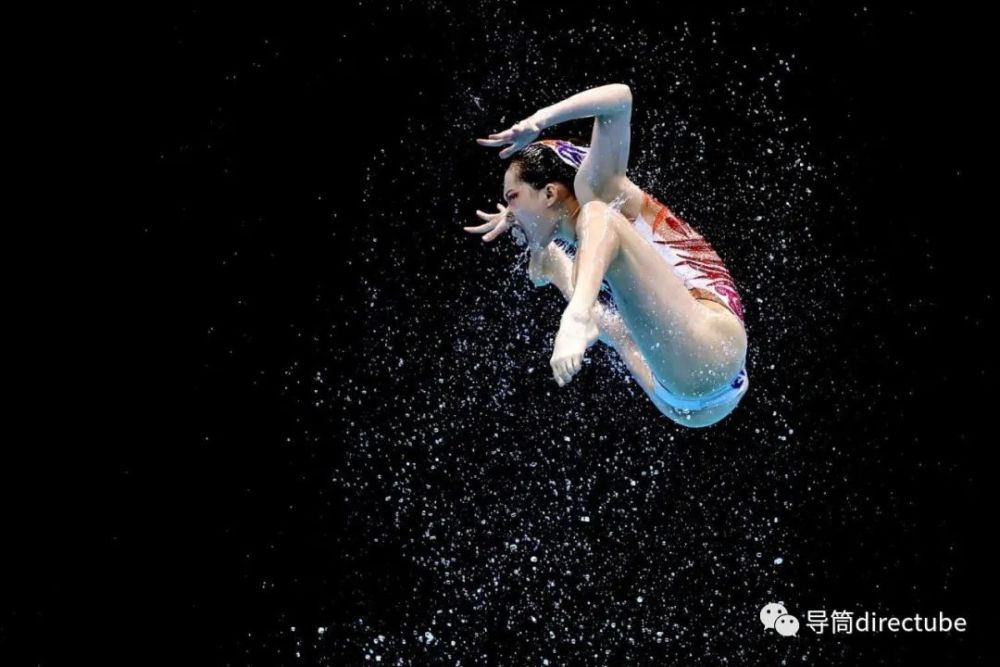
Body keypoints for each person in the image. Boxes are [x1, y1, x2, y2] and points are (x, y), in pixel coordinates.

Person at [465, 84, 749, 428]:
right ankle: (589, 316)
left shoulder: (599, 189)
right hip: (678, 397)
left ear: (550, 193)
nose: (509, 212)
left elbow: (620, 98)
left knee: (599, 218)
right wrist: (518, 218)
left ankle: (581, 318)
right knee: (568, 264)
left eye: (513, 198)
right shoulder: (586, 244)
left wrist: (540, 120)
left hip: (712, 349)